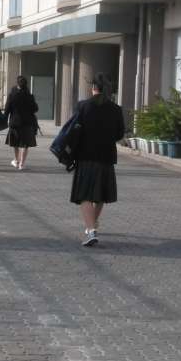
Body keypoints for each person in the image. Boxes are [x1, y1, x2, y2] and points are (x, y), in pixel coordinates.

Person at [70, 73, 125, 247]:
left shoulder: (83, 106)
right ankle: (92, 225)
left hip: (85, 156)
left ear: (93, 88)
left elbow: (74, 131)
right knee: (100, 194)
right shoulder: (115, 109)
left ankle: (91, 229)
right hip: (106, 156)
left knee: (85, 195)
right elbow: (119, 134)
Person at [4, 75, 38, 171]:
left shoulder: (12, 95)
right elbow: (35, 109)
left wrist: (5, 118)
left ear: (18, 84)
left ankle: (17, 161)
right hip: (27, 123)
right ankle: (22, 164)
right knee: (25, 144)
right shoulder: (29, 96)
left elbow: (7, 109)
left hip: (15, 122)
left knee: (15, 142)